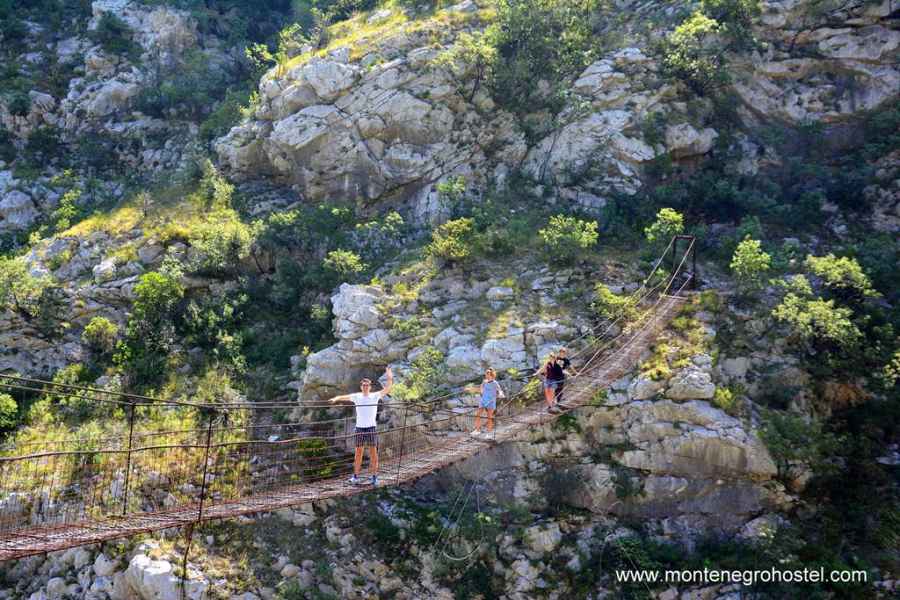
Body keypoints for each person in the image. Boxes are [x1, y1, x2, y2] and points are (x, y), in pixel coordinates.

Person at [329, 366, 393, 486]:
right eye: (363, 386)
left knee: (373, 453)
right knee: (358, 453)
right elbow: (345, 397)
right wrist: (336, 398)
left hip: (371, 428)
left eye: (367, 386)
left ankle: (374, 477)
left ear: (370, 387)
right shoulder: (357, 396)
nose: (365, 387)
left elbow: (388, 389)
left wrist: (389, 376)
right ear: (361, 387)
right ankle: (355, 476)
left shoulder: (375, 395)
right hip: (359, 428)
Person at [472, 368, 504, 438]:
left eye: (488, 374)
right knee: (478, 415)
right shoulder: (484, 381)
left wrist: (501, 394)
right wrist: (478, 391)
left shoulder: (495, 383)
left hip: (491, 401)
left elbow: (499, 390)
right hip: (483, 400)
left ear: (492, 375)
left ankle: (489, 433)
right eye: (486, 374)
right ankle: (477, 430)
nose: (486, 376)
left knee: (489, 417)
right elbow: (480, 389)